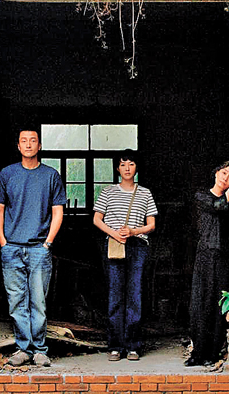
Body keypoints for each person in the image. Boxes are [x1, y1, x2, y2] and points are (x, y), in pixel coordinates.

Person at [0, 127, 67, 367]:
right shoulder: (7, 174)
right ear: (18, 146)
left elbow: (58, 211)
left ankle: (40, 350)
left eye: (32, 140)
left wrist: (48, 242)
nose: (28, 144)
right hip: (12, 247)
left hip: (39, 249)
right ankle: (23, 349)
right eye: (23, 141)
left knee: (38, 302)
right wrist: (2, 241)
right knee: (16, 301)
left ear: (39, 146)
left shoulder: (50, 175)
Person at [93, 150, 158, 362]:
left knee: (135, 295)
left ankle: (133, 346)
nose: (127, 168)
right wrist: (115, 233)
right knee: (115, 295)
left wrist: (133, 231)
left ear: (136, 167)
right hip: (114, 245)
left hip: (137, 245)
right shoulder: (108, 192)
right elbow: (97, 219)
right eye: (123, 164)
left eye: (131, 164)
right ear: (117, 168)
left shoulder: (145, 193)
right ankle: (115, 346)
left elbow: (151, 225)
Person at [186, 160, 229, 367]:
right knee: (201, 303)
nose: (226, 178)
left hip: (224, 257)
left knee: (219, 303)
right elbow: (218, 206)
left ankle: (214, 353)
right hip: (205, 255)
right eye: (224, 173)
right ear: (216, 173)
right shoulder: (201, 196)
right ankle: (198, 352)